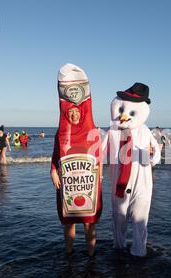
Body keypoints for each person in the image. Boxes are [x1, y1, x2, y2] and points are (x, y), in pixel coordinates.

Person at [50, 63, 102, 257]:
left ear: (81, 112)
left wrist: (100, 178)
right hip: (68, 183)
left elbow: (99, 158)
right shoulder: (61, 133)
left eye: (76, 111)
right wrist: (53, 171)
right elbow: (56, 156)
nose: (73, 113)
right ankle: (69, 256)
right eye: (70, 111)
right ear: (66, 113)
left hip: (88, 184)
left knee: (90, 222)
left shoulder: (92, 131)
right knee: (69, 222)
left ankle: (91, 257)